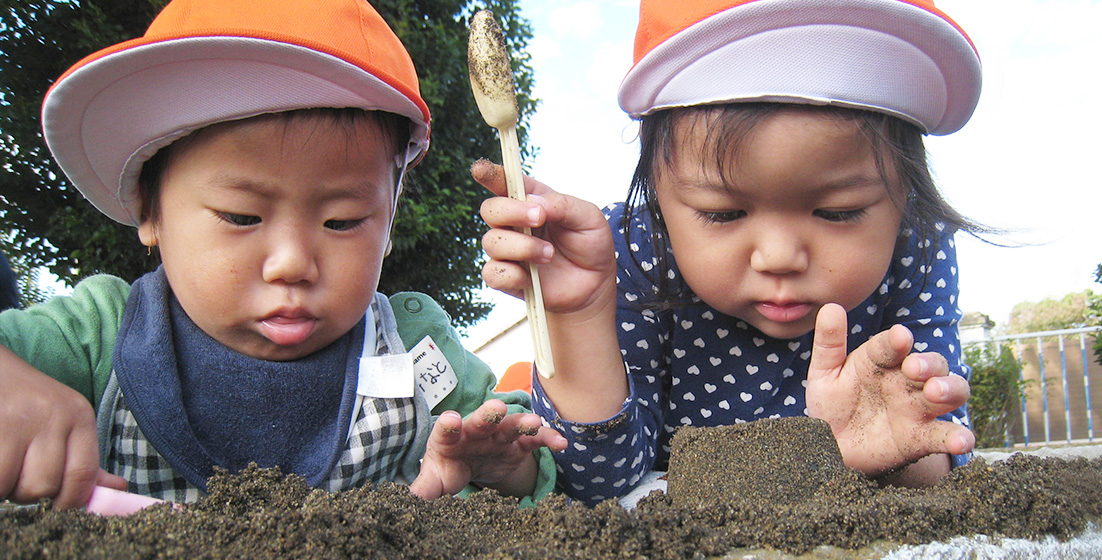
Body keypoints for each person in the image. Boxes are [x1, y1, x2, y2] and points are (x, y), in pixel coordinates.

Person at [0, 0, 565, 511]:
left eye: (341, 222)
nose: (293, 264)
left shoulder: (417, 350)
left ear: (388, 223)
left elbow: (508, 447)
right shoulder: (96, 337)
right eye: (242, 217)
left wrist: (499, 467)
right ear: (150, 210)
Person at [476, 0, 982, 505]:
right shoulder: (636, 247)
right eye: (723, 214)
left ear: (903, 198)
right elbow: (594, 482)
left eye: (838, 212)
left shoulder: (916, 245)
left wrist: (889, 449)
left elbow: (946, 451)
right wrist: (580, 319)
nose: (780, 256)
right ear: (659, 197)